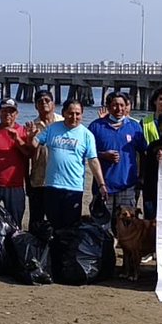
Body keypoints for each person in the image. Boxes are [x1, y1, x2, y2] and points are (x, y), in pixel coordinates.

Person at [27, 98, 107, 230]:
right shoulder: (52, 128)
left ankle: (68, 250)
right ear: (63, 113)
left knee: (71, 227)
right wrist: (30, 137)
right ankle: (54, 250)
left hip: (74, 188)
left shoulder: (87, 135)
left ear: (82, 114)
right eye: (70, 113)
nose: (74, 117)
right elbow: (36, 144)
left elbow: (93, 161)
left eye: (78, 114)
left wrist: (101, 184)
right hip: (52, 186)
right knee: (54, 225)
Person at [88, 92, 147, 228]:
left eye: (122, 105)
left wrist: (141, 177)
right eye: (114, 105)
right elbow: (87, 153)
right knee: (101, 225)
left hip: (127, 184)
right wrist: (103, 155)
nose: (119, 109)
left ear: (126, 106)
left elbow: (143, 153)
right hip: (103, 185)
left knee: (126, 226)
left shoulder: (134, 127)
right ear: (108, 107)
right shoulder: (96, 127)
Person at [0, 98, 30, 226]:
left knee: (15, 223)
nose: (8, 114)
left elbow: (29, 154)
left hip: (16, 186)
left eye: (11, 111)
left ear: (16, 114)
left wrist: (18, 140)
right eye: (4, 111)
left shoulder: (23, 131)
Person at [25, 89, 58, 233]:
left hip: (59, 180)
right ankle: (34, 252)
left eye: (47, 100)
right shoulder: (32, 127)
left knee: (57, 220)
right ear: (35, 106)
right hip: (38, 180)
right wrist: (27, 181)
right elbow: (27, 154)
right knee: (36, 221)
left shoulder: (63, 123)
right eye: (40, 101)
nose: (44, 103)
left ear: (53, 104)